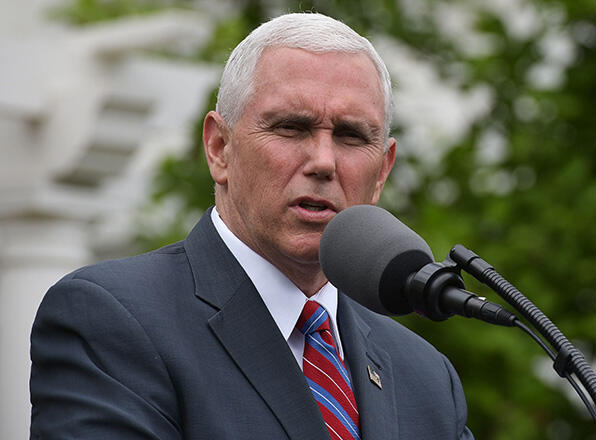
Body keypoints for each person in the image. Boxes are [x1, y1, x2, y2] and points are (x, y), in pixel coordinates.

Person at [30, 12, 474, 440]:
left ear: (382, 171)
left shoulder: (427, 378)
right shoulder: (112, 321)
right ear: (219, 148)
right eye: (291, 128)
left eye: (351, 136)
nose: (323, 161)